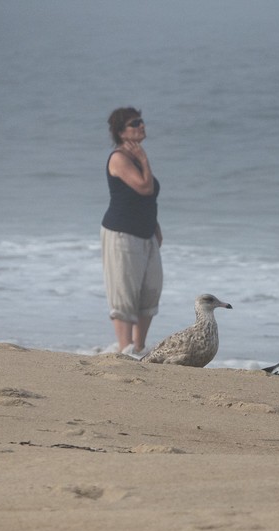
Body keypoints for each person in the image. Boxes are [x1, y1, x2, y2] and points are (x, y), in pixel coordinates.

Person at [101, 107, 162, 355]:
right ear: (121, 132)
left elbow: (147, 200)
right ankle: (125, 349)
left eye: (142, 121)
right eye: (135, 123)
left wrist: (156, 226)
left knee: (150, 291)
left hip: (146, 234)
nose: (142, 126)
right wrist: (145, 161)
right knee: (124, 294)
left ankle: (138, 348)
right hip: (122, 234)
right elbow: (144, 188)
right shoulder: (119, 158)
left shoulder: (135, 156)